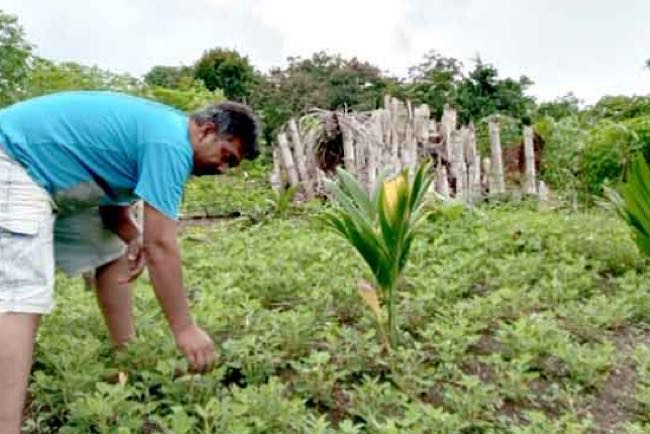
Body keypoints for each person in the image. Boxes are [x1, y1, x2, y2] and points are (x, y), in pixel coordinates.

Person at [0, 91, 259, 432]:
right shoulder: (172, 143)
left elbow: (111, 206)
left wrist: (132, 235)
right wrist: (184, 328)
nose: (223, 169)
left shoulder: (161, 134)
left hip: (46, 176)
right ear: (207, 131)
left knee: (115, 249)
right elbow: (162, 244)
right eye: (226, 156)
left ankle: (127, 361)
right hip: (14, 159)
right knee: (22, 296)